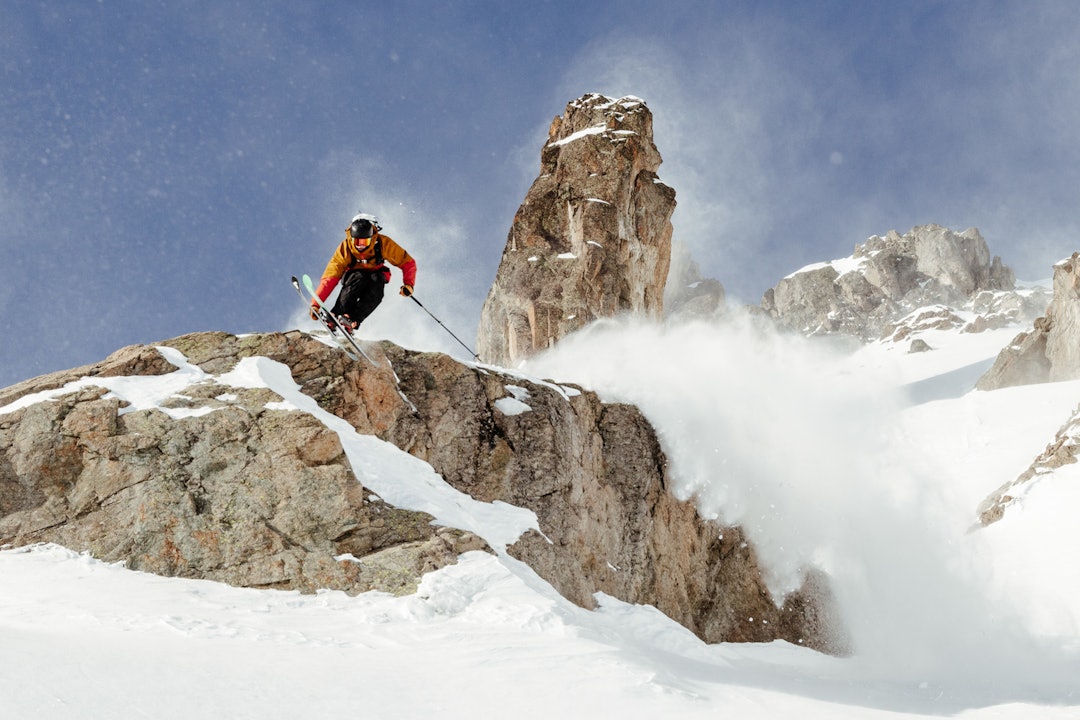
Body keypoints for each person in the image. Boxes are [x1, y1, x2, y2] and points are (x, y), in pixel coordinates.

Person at [309, 213, 416, 333]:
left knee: (377, 284)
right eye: (357, 241)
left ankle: (352, 320)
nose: (360, 245)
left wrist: (409, 284)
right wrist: (316, 303)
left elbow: (407, 262)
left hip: (375, 274)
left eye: (364, 242)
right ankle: (336, 314)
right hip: (354, 276)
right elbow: (330, 277)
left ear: (372, 238)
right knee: (359, 278)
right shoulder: (346, 248)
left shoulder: (382, 243)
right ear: (351, 238)